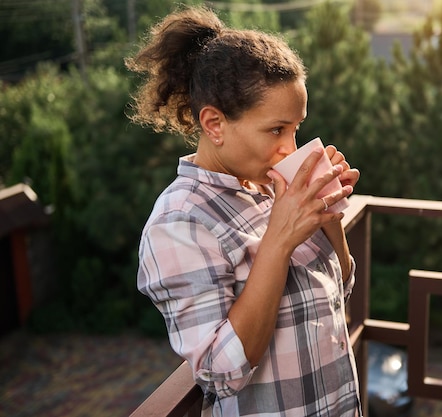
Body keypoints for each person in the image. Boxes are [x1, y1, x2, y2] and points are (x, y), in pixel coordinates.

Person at [126, 5, 362, 417]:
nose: (291, 147)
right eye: (276, 129)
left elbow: (339, 290)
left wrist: (328, 216)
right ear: (214, 124)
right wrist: (280, 239)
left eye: (296, 128)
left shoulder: (273, 186)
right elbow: (220, 374)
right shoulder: (180, 222)